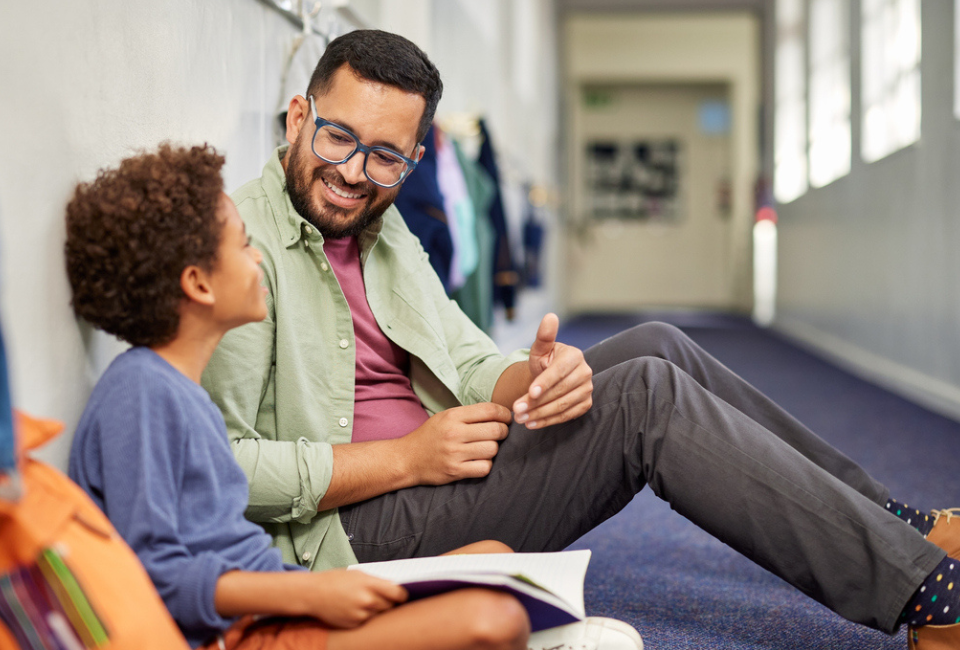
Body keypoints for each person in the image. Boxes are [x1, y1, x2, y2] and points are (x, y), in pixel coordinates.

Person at [200, 29, 960, 648]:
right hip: (356, 531)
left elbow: (464, 357)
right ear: (298, 117)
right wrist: (407, 456)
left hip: (446, 460)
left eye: (386, 157)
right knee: (646, 400)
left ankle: (893, 523)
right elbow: (221, 473)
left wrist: (531, 378)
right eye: (339, 139)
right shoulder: (241, 251)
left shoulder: (381, 226)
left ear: (415, 160)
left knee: (656, 344)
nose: (355, 174)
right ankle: (930, 595)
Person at [63, 143, 644, 650]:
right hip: (239, 632)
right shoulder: (139, 394)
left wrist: (310, 588)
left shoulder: (178, 393)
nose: (259, 256)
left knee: (490, 555)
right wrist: (314, 592)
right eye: (243, 246)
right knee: (489, 619)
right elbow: (160, 576)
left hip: (276, 596)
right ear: (197, 284)